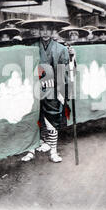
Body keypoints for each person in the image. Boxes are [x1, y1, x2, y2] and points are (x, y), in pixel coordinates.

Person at [19, 19, 72, 163]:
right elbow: (27, 68)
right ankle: (31, 149)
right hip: (34, 87)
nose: (45, 32)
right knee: (33, 120)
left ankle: (54, 151)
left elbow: (63, 72)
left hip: (52, 88)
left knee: (52, 120)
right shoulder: (32, 47)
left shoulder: (61, 49)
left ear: (53, 31)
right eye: (42, 29)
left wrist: (62, 92)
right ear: (38, 31)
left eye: (48, 29)